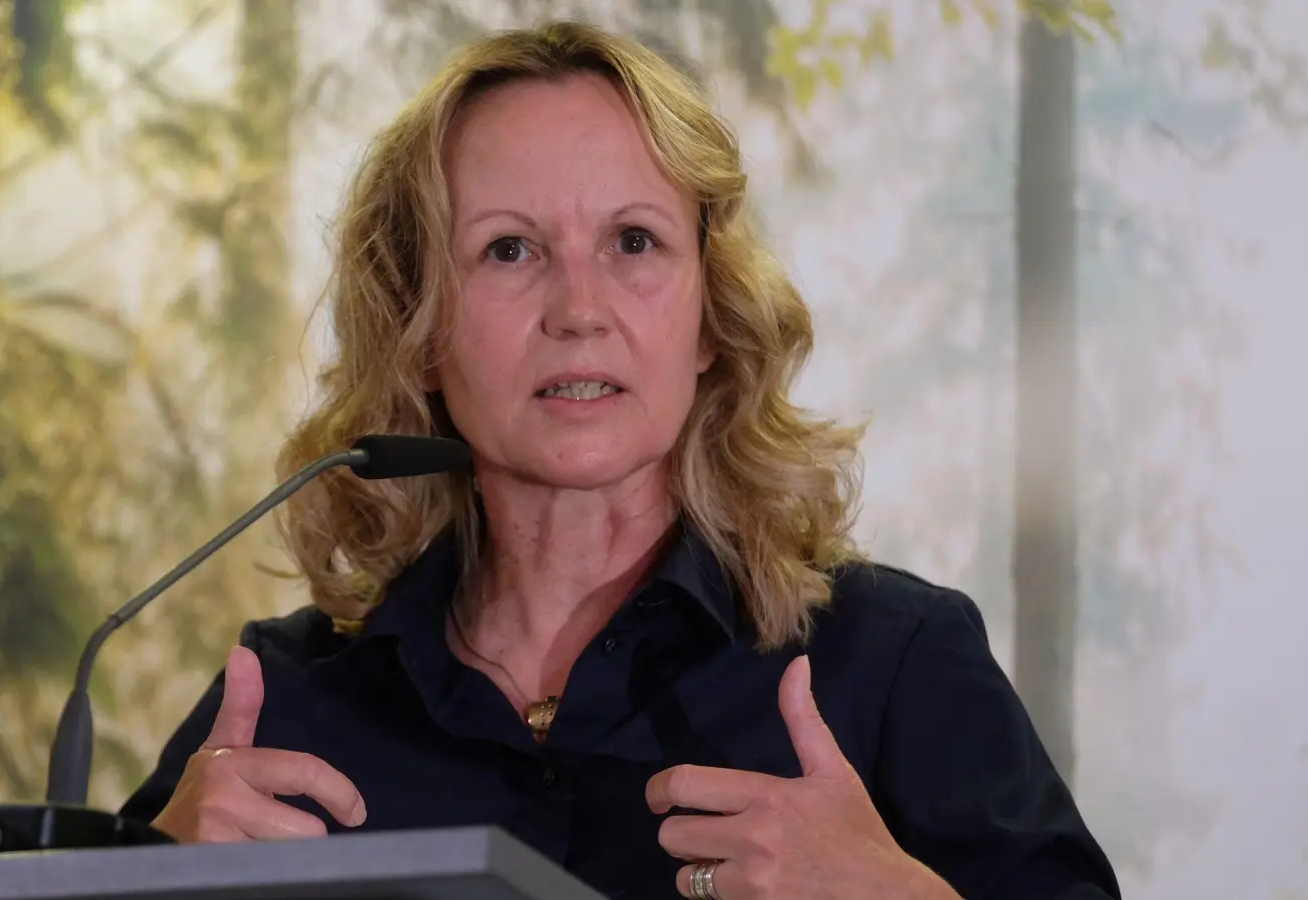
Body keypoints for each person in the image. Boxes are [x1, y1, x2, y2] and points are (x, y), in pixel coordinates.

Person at [119, 19, 1121, 900]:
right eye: (509, 250)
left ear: (706, 320)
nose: (579, 310)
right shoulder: (284, 707)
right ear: (421, 330)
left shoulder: (887, 663)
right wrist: (143, 886)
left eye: (633, 243)